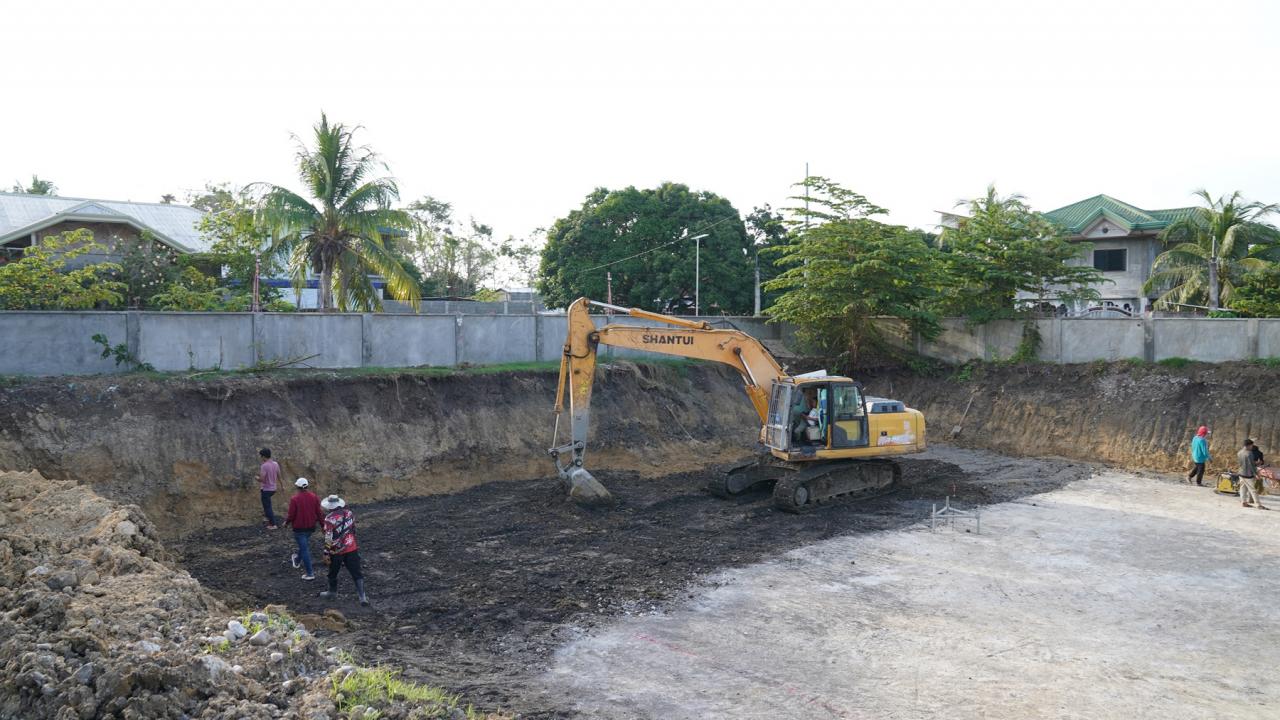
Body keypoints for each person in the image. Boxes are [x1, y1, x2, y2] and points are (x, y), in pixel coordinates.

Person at [319, 494, 369, 606]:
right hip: (351, 547)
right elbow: (353, 529)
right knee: (356, 572)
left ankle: (332, 592)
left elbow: (328, 537)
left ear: (330, 506)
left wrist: (326, 552)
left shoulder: (329, 519)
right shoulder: (349, 513)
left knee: (333, 572)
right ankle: (362, 597)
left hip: (336, 550)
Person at [285, 478, 322, 581]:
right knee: (304, 546)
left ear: (297, 487)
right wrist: (323, 526)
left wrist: (286, 522)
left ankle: (310, 573)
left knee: (304, 549)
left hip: (299, 529)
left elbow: (291, 515)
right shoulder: (314, 497)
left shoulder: (294, 499)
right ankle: (296, 560)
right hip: (311, 527)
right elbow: (319, 513)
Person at [1237, 439, 1268, 510]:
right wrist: (1256, 474)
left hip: (1241, 473)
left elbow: (1242, 463)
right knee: (1253, 490)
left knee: (1242, 488)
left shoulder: (1239, 452)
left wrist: (1255, 463)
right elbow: (1251, 465)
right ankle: (1258, 504)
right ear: (1248, 445)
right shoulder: (1249, 453)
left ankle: (1243, 502)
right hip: (1248, 474)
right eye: (1251, 445)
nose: (1252, 447)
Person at [258, 448, 281, 529]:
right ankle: (267, 518)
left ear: (264, 456)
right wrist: (282, 485)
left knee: (268, 507)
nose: (261, 458)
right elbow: (279, 475)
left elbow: (262, 479)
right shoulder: (276, 464)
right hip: (273, 489)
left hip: (266, 489)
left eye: (261, 456)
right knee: (267, 506)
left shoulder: (264, 466)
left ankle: (273, 524)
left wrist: (256, 478)